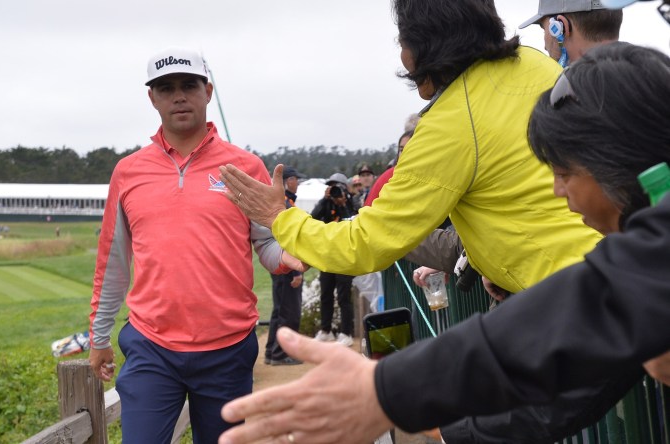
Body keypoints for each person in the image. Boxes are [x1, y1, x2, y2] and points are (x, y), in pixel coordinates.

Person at [218, 42, 670, 444]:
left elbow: (547, 325)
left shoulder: (646, 264)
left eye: (565, 171)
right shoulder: (533, 64)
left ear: (624, 164)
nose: (555, 191)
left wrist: (386, 393)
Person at [221, 0, 600, 302]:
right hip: (619, 264)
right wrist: (496, 266)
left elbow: (366, 244)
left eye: (402, 39)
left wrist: (279, 218)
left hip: (568, 299)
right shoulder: (536, 62)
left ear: (425, 45)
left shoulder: (449, 124)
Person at [86, 47, 301, 444]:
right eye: (166, 88)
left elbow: (267, 245)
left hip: (227, 349)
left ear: (208, 91)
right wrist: (99, 338)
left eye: (189, 85)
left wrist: (286, 257)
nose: (179, 96)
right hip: (152, 346)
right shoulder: (129, 171)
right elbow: (113, 262)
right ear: (152, 98)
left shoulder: (245, 166)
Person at [264, 166, 306, 366]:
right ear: (288, 181)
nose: (297, 183)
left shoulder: (285, 202)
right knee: (288, 310)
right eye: (296, 179)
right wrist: (297, 271)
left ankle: (271, 351)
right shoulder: (286, 204)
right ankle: (280, 353)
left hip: (278, 263)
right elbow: (290, 240)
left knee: (279, 308)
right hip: (286, 265)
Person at [310, 178, 355, 347]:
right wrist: (324, 200)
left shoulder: (350, 202)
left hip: (344, 255)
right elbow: (313, 218)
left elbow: (352, 221)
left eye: (336, 187)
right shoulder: (326, 204)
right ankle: (325, 330)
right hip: (328, 255)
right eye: (330, 187)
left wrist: (343, 204)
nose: (333, 190)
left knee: (344, 296)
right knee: (326, 294)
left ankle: (346, 332)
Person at [519, 0, 623, 67]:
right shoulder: (637, 81)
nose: (545, 47)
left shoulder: (563, 96)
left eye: (544, 29)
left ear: (562, 26)